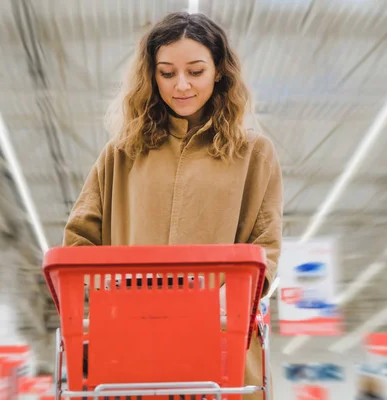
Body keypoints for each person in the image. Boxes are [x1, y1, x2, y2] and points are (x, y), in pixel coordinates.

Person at [63, 11, 283, 400]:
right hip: (129, 354)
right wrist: (110, 312)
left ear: (219, 72)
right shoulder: (120, 154)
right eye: (167, 73)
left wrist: (207, 310)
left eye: (195, 71)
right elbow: (79, 242)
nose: (181, 85)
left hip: (220, 354)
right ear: (152, 76)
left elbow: (265, 252)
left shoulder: (254, 155)